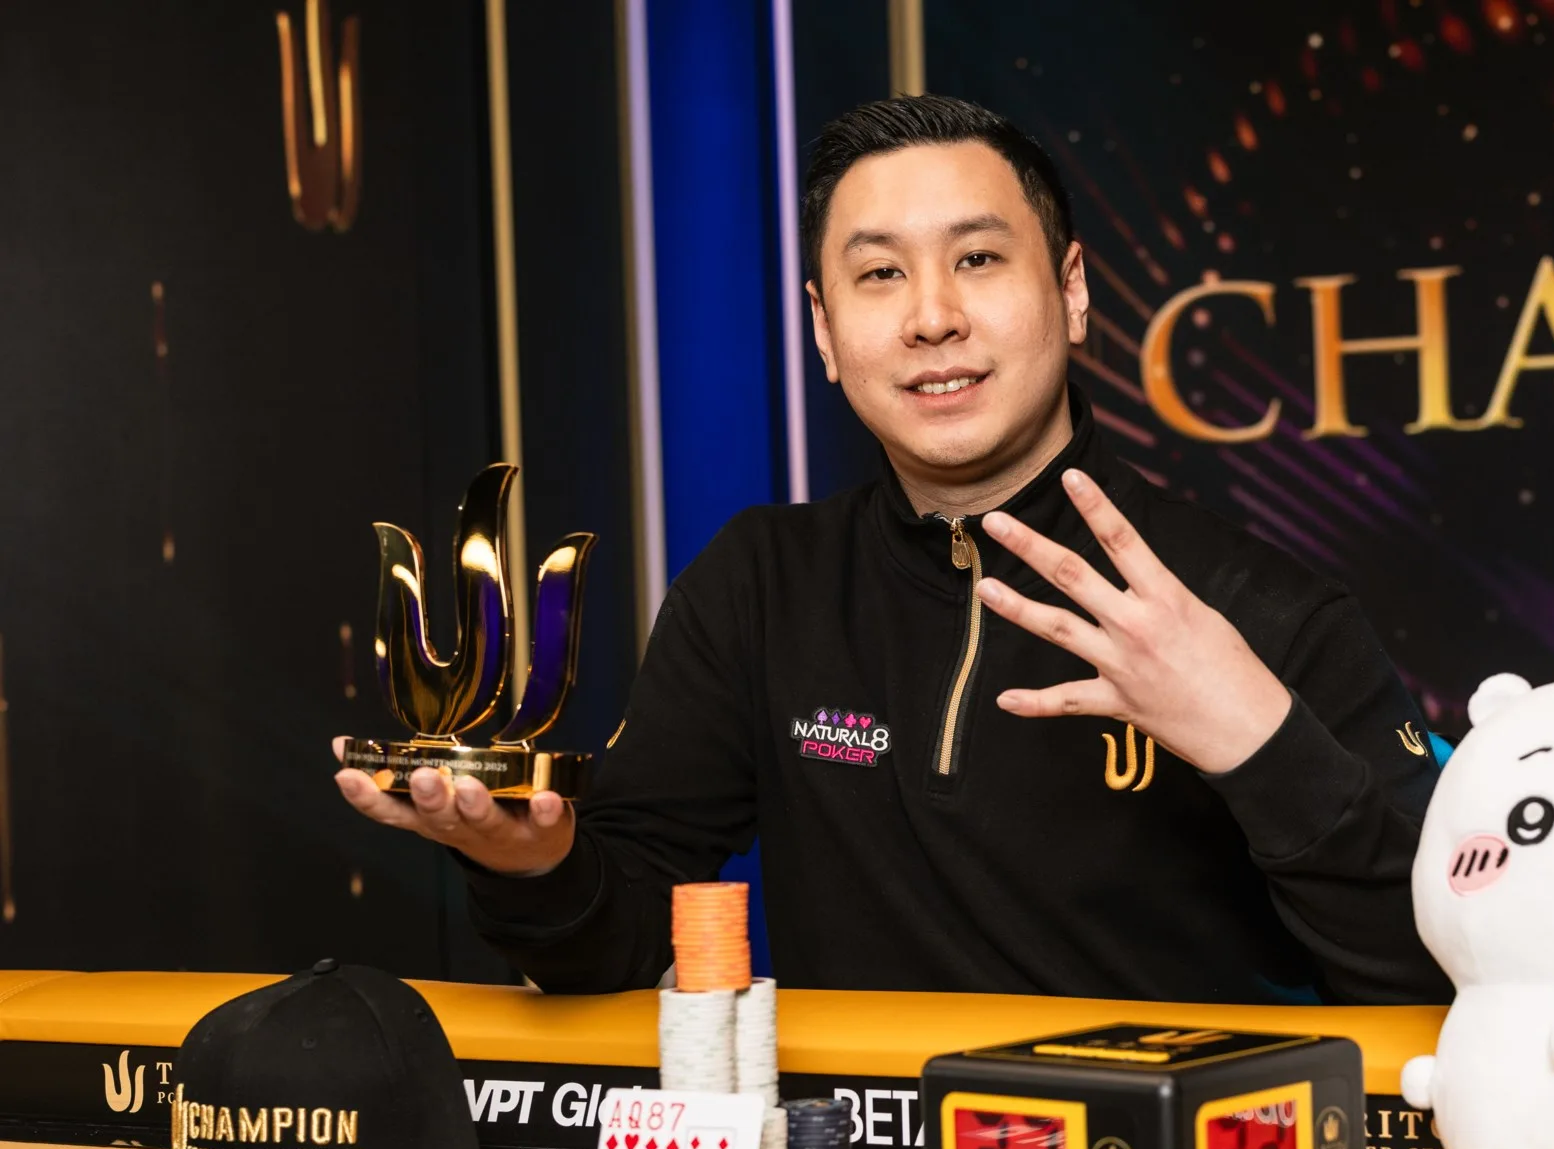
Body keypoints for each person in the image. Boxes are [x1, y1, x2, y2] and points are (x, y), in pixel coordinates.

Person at [333, 95, 1448, 1004]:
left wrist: (1255, 741)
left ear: (1070, 292)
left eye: (978, 258)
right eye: (879, 275)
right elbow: (616, 938)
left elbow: (1434, 975)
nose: (930, 318)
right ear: (824, 331)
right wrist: (531, 862)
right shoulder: (764, 585)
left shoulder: (1262, 606)